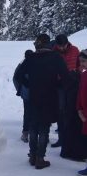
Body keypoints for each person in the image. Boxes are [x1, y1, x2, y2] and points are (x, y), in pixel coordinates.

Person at [17, 34, 69, 169]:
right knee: (44, 127)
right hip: (49, 96)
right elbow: (65, 77)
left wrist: (29, 84)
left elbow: (18, 75)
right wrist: (57, 85)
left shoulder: (30, 58)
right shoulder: (56, 58)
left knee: (34, 126)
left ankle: (33, 156)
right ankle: (40, 158)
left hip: (34, 96)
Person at [52, 34, 80, 148]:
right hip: (59, 85)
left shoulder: (75, 50)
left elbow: (79, 65)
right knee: (61, 111)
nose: (62, 48)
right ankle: (62, 139)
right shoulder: (53, 52)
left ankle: (71, 139)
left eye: (63, 46)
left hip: (73, 84)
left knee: (72, 111)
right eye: (60, 46)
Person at [13, 49, 33, 143]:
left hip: (26, 94)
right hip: (38, 93)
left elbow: (15, 78)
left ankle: (25, 134)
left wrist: (20, 90)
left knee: (27, 113)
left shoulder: (22, 65)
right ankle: (42, 135)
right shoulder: (37, 63)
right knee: (38, 113)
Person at [76, 49, 87, 176]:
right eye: (80, 62)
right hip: (84, 116)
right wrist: (79, 110)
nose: (81, 64)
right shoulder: (84, 75)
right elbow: (80, 94)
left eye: (84, 61)